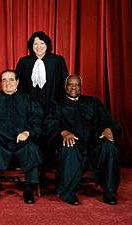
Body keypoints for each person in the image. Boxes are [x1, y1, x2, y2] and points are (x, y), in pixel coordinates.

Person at [45, 75, 120, 205]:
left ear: (80, 86)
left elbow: (106, 119)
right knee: (70, 147)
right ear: (65, 86)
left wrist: (108, 128)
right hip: (73, 143)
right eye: (70, 84)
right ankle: (68, 193)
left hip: (93, 143)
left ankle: (110, 192)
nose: (73, 87)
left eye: (77, 84)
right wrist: (63, 132)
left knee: (109, 147)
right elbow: (50, 123)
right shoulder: (56, 104)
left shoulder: (93, 102)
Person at [0, 70, 43, 204]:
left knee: (32, 148)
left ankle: (28, 189)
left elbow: (37, 119)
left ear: (17, 82)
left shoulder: (27, 99)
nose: (7, 83)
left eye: (11, 79)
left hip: (22, 140)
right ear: (1, 83)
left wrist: (27, 132)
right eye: (4, 80)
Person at [15, 31, 69, 177]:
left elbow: (65, 85)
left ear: (47, 45)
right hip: (30, 108)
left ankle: (48, 167)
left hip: (52, 106)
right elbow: (17, 87)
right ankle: (32, 169)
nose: (39, 46)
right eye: (35, 44)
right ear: (31, 46)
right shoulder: (24, 62)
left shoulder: (57, 61)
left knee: (50, 133)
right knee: (32, 134)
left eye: (42, 43)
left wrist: (59, 107)